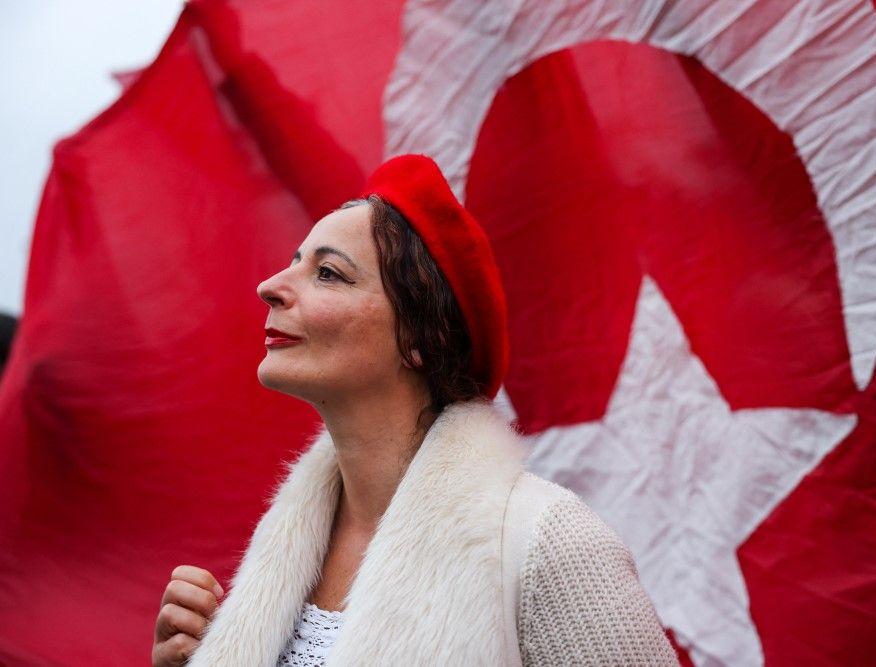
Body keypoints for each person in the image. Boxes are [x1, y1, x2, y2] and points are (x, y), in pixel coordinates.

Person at [151, 154, 679, 666]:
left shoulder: (550, 547)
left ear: (419, 337)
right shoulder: (287, 549)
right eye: (294, 263)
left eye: (328, 273)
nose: (269, 287)